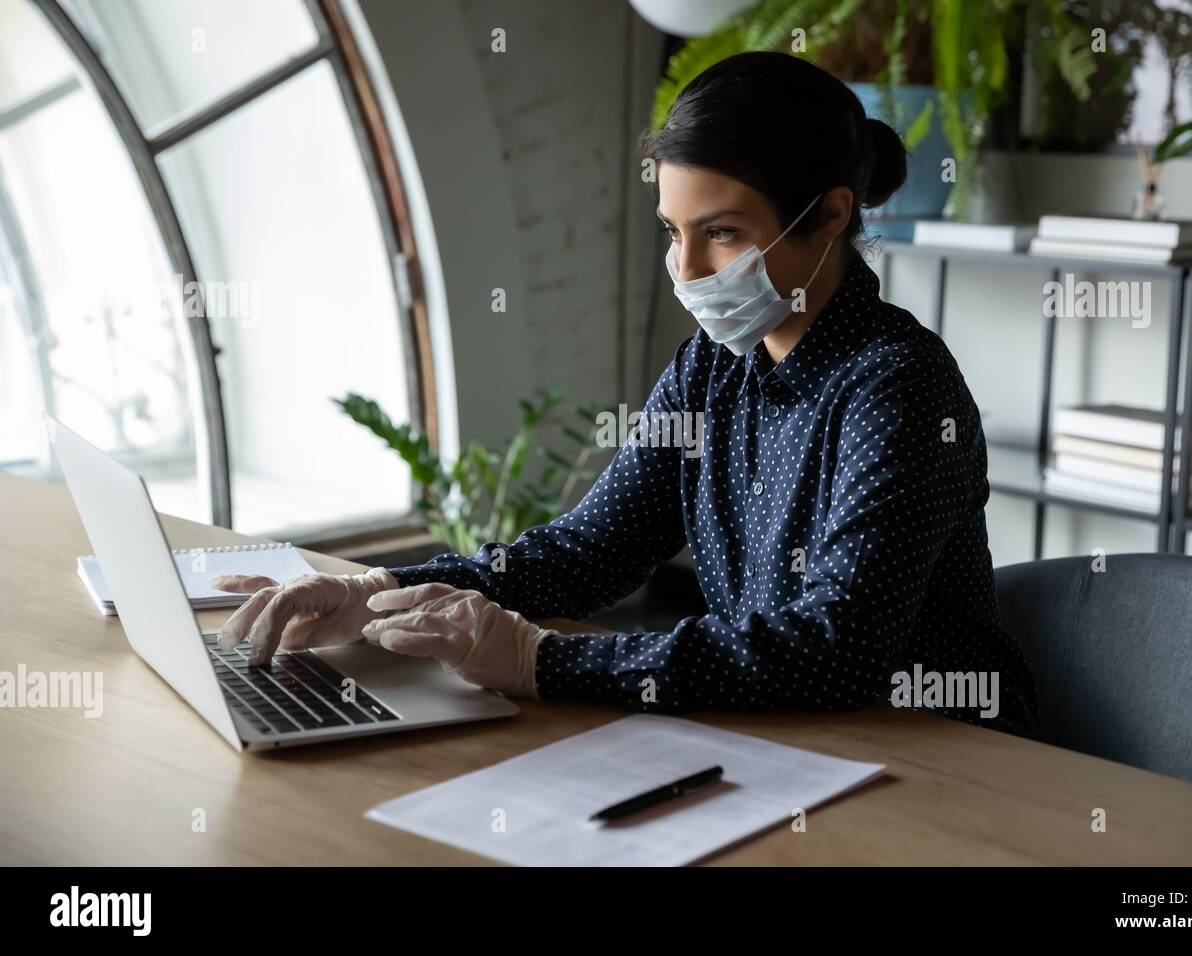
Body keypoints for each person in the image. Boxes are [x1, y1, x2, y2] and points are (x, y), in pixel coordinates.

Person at [213, 51, 1038, 737]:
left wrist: (540, 660)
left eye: (723, 233)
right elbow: (588, 552)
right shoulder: (711, 367)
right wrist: (374, 593)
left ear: (829, 215)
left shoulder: (900, 386)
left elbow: (833, 648)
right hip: (788, 734)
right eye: (674, 231)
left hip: (942, 755)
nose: (687, 270)